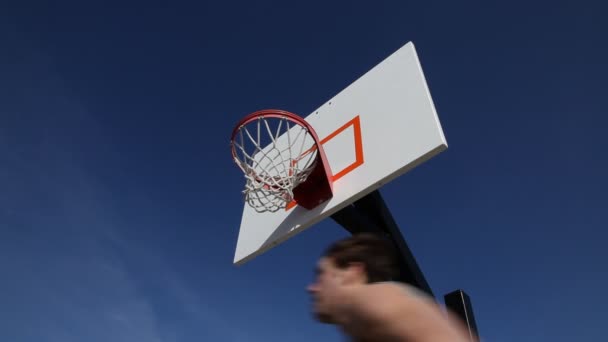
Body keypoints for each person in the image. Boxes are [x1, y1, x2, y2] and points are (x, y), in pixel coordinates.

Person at [307, 233, 475, 342]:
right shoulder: (366, 321)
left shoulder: (371, 301)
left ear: (352, 272)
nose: (312, 288)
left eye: (321, 274)